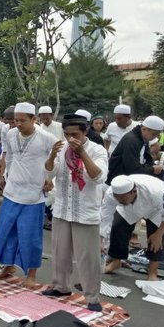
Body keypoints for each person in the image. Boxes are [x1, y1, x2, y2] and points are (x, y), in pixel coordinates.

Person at [42, 114, 109, 311]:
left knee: (88, 259)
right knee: (60, 253)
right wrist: (52, 156)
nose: (71, 138)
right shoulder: (61, 147)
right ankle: (61, 286)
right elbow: (48, 173)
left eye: (75, 134)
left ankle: (92, 298)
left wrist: (82, 154)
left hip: (85, 211)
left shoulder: (97, 150)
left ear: (85, 132)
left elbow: (98, 178)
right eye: (67, 134)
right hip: (62, 209)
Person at [0, 102, 59, 287]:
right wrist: (5, 174)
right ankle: (8, 266)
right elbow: (10, 156)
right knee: (6, 231)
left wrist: (50, 178)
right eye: (15, 120)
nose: (18, 124)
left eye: (22, 120)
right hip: (12, 192)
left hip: (33, 195)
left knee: (30, 236)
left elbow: (58, 159)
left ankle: (31, 275)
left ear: (33, 119)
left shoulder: (47, 138)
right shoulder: (11, 133)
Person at [101, 175, 164, 281]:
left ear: (134, 191)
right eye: (118, 199)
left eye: (123, 199)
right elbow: (105, 216)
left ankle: (152, 271)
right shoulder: (112, 194)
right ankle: (116, 261)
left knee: (156, 240)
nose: (120, 201)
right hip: (129, 209)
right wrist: (100, 239)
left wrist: (158, 234)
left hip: (156, 211)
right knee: (117, 227)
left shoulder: (158, 192)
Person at [106, 115, 164, 184]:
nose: (154, 137)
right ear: (144, 129)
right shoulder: (131, 140)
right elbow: (132, 169)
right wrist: (152, 169)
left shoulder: (143, 138)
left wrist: (155, 167)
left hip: (129, 179)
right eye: (154, 134)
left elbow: (148, 159)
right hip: (119, 181)